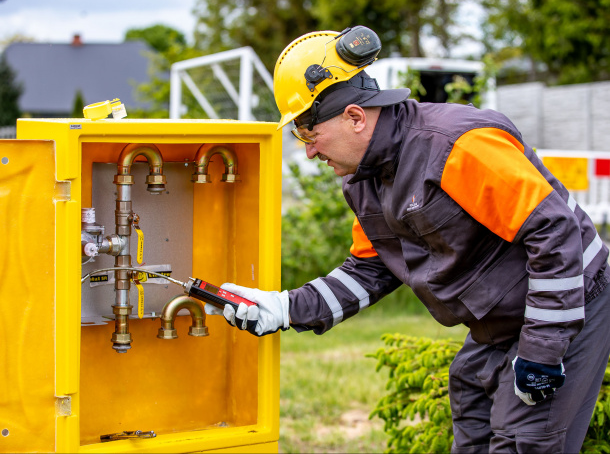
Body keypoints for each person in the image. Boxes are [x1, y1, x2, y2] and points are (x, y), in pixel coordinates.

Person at [205, 26, 610, 453]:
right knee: (472, 418)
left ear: (355, 117)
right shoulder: (365, 183)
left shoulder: (457, 144)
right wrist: (284, 307)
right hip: (500, 321)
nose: (308, 151)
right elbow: (369, 269)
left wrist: (543, 351)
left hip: (571, 302)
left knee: (526, 441)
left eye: (308, 134)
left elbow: (555, 232)